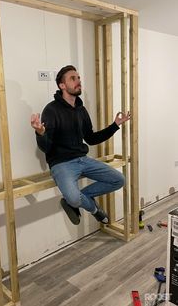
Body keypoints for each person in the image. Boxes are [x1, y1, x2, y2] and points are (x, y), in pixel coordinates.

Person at [31, 65, 130, 225]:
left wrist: (115, 125)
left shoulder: (81, 110)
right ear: (62, 85)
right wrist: (41, 133)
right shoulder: (51, 110)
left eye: (78, 78)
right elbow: (46, 148)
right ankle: (95, 210)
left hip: (83, 160)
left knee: (119, 180)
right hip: (61, 164)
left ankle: (74, 201)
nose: (78, 81)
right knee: (74, 197)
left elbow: (90, 138)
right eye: (73, 78)